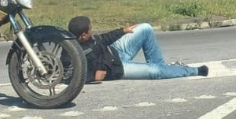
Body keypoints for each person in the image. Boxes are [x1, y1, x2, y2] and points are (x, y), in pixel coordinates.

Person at [67, 16, 208, 83]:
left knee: (145, 28)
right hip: (118, 68)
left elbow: (103, 39)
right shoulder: (72, 53)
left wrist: (122, 31)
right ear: (83, 35)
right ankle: (194, 70)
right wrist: (92, 77)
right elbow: (69, 76)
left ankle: (165, 69)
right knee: (155, 71)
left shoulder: (90, 38)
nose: (92, 30)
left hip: (116, 51)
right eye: (90, 29)